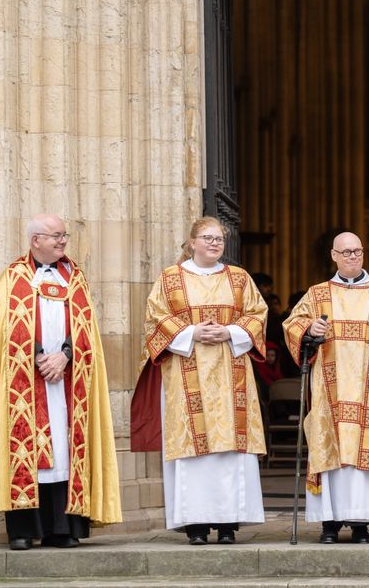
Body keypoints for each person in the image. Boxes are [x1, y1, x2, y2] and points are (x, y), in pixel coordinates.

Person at [0, 213, 122, 550]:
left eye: (64, 235)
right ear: (35, 239)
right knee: (28, 450)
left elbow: (86, 328)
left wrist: (66, 355)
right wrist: (38, 356)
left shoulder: (74, 277)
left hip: (67, 380)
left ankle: (62, 529)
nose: (63, 241)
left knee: (64, 451)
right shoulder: (13, 276)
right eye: (55, 236)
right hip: (27, 379)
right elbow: (5, 329)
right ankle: (23, 530)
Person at [130, 216, 268, 545]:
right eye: (207, 238)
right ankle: (195, 525)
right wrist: (192, 332)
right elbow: (154, 318)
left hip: (230, 370)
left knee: (229, 450)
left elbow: (257, 313)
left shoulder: (239, 278)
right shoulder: (171, 279)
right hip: (185, 371)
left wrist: (230, 331)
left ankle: (228, 523)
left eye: (219, 239)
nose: (214, 243)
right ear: (192, 242)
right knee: (195, 450)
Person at [282, 231, 369, 544]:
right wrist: (308, 330)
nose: (353, 257)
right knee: (332, 452)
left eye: (357, 251)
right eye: (346, 252)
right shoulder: (316, 295)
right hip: (331, 390)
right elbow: (292, 325)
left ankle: (361, 524)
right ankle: (329, 522)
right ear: (334, 256)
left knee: (365, 455)